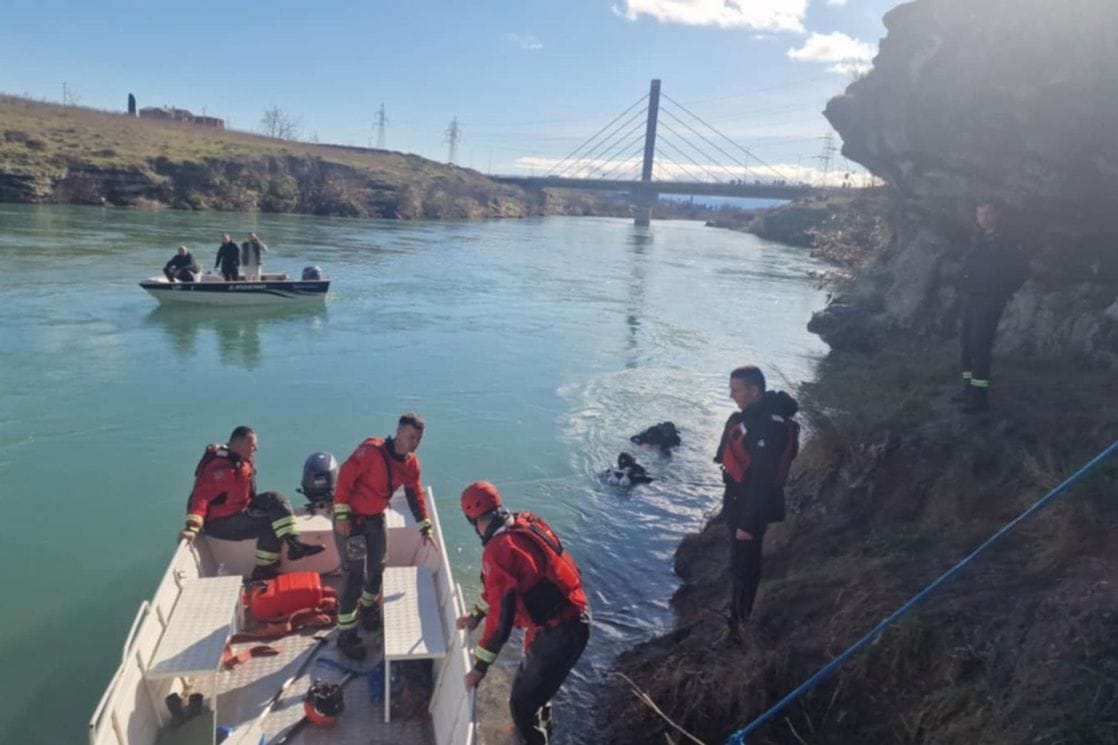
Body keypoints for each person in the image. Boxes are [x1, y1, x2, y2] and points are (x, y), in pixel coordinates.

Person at [457, 481, 590, 745]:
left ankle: (534, 736)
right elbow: (498, 593)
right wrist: (475, 617)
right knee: (538, 691)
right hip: (572, 618)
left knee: (521, 705)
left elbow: (501, 622)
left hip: (560, 632)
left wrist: (479, 669)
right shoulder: (522, 525)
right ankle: (543, 732)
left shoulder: (498, 550)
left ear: (471, 519)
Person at [333, 413, 433, 660]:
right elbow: (344, 479)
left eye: (418, 439)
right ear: (398, 432)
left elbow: (414, 494)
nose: (415, 443)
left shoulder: (411, 465)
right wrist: (343, 515)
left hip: (375, 520)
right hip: (353, 522)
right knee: (355, 573)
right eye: (411, 437)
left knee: (378, 566)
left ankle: (367, 607)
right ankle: (345, 634)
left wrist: (424, 525)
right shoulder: (370, 453)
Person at [713, 365, 799, 639]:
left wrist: (748, 524)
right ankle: (736, 618)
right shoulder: (754, 417)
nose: (731, 395)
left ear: (754, 390)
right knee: (739, 564)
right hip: (739, 500)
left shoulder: (767, 427)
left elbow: (762, 480)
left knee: (745, 567)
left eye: (736, 390)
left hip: (750, 508)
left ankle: (739, 626)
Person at [181, 426, 325, 580]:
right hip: (222, 522)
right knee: (269, 525)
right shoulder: (220, 469)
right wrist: (192, 527)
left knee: (276, 498)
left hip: (242, 506)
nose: (256, 449)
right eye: (252, 445)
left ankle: (295, 545)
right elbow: (200, 498)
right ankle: (263, 569)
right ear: (238, 445)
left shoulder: (240, 457)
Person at [958, 200, 1029, 413]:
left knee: (980, 346)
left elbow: (1020, 271)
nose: (983, 218)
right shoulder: (976, 238)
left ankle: (979, 399)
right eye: (980, 214)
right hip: (970, 298)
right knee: (967, 345)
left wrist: (1001, 293)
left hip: (989, 301)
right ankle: (967, 391)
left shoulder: (1008, 241)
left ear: (998, 214)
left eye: (988, 213)